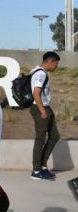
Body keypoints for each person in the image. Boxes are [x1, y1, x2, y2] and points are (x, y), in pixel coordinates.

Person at [29, 51, 61, 181]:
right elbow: (36, 93)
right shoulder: (41, 74)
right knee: (40, 139)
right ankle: (36, 171)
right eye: (56, 64)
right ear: (50, 61)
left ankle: (42, 166)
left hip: (45, 107)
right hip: (40, 108)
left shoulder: (38, 71)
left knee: (54, 136)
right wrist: (42, 111)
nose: (56, 66)